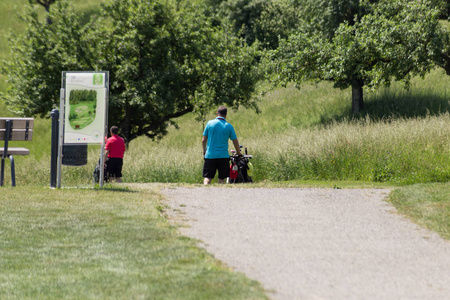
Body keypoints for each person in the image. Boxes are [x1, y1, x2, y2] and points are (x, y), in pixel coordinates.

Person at [202, 106, 242, 185]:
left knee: (208, 178)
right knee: (222, 179)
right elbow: (235, 141)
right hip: (223, 156)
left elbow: (203, 140)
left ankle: (205, 193)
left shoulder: (209, 123)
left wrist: (204, 151)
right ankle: (221, 195)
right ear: (226, 114)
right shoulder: (229, 126)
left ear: (217, 113)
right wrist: (238, 152)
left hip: (210, 155)